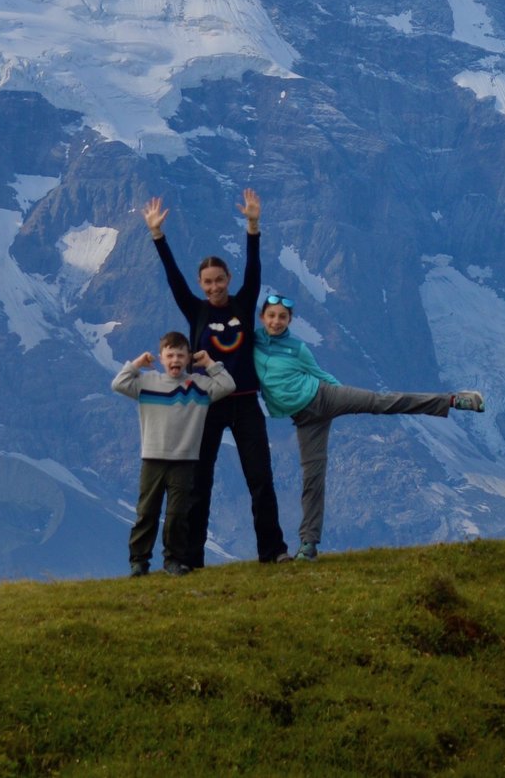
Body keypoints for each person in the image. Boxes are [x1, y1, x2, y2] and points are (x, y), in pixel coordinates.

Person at [253, 292, 485, 560]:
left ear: (289, 320)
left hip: (324, 396)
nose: (276, 321)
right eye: (272, 316)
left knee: (381, 401)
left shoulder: (297, 348)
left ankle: (453, 400)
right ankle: (309, 545)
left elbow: (319, 374)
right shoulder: (254, 343)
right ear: (262, 318)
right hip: (306, 421)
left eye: (282, 317)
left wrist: (344, 399)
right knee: (312, 478)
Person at [145, 189, 288, 564]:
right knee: (199, 483)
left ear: (228, 279)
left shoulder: (244, 302)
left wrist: (253, 225)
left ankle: (273, 551)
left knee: (260, 479)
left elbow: (255, 268)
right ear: (201, 284)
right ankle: (191, 558)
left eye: (219, 280)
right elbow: (173, 278)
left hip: (245, 404)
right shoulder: (195, 311)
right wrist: (158, 236)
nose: (214, 287)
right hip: (206, 405)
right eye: (207, 282)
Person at [110, 332, 234, 576]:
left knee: (178, 514)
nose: (175, 360)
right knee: (147, 511)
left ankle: (174, 560)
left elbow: (228, 385)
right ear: (161, 358)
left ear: (188, 358)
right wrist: (137, 363)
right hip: (153, 459)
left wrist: (209, 363)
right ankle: (139, 561)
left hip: (184, 461)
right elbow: (119, 383)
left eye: (180, 355)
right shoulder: (147, 382)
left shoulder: (199, 386)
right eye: (170, 355)